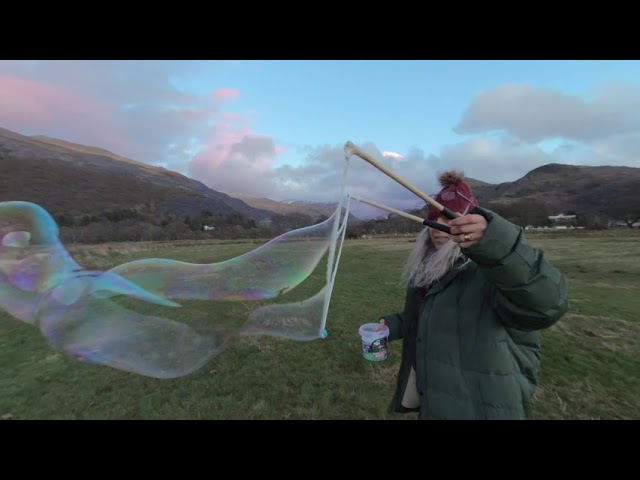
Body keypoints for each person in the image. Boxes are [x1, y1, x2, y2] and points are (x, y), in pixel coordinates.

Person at [378, 170, 568, 420]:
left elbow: (545, 306)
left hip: (486, 407)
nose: (438, 229)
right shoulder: (429, 269)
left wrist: (498, 246)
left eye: (449, 220)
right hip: (436, 403)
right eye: (434, 219)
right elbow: (437, 313)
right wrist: (393, 325)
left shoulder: (495, 269)